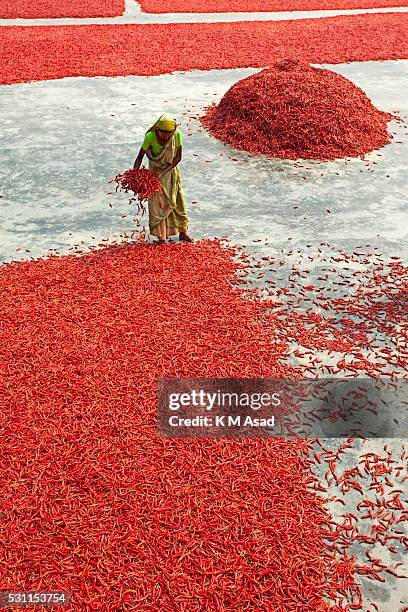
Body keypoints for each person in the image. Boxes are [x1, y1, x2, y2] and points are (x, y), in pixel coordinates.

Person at [133, 114, 193, 244]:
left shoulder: (176, 135)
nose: (166, 136)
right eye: (163, 132)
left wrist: (163, 174)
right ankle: (162, 236)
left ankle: (183, 232)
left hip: (170, 172)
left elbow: (177, 158)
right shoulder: (150, 137)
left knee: (176, 201)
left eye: (169, 133)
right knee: (158, 205)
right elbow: (139, 158)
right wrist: (134, 177)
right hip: (154, 174)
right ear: (156, 130)